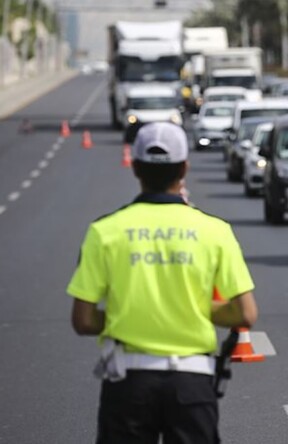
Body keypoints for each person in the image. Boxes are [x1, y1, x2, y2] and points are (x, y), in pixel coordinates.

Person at [67, 122, 258, 444]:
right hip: (192, 383)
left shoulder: (104, 231)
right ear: (184, 168)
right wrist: (190, 309)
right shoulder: (215, 231)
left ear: (136, 167)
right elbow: (244, 314)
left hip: (128, 382)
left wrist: (130, 313)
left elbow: (83, 320)